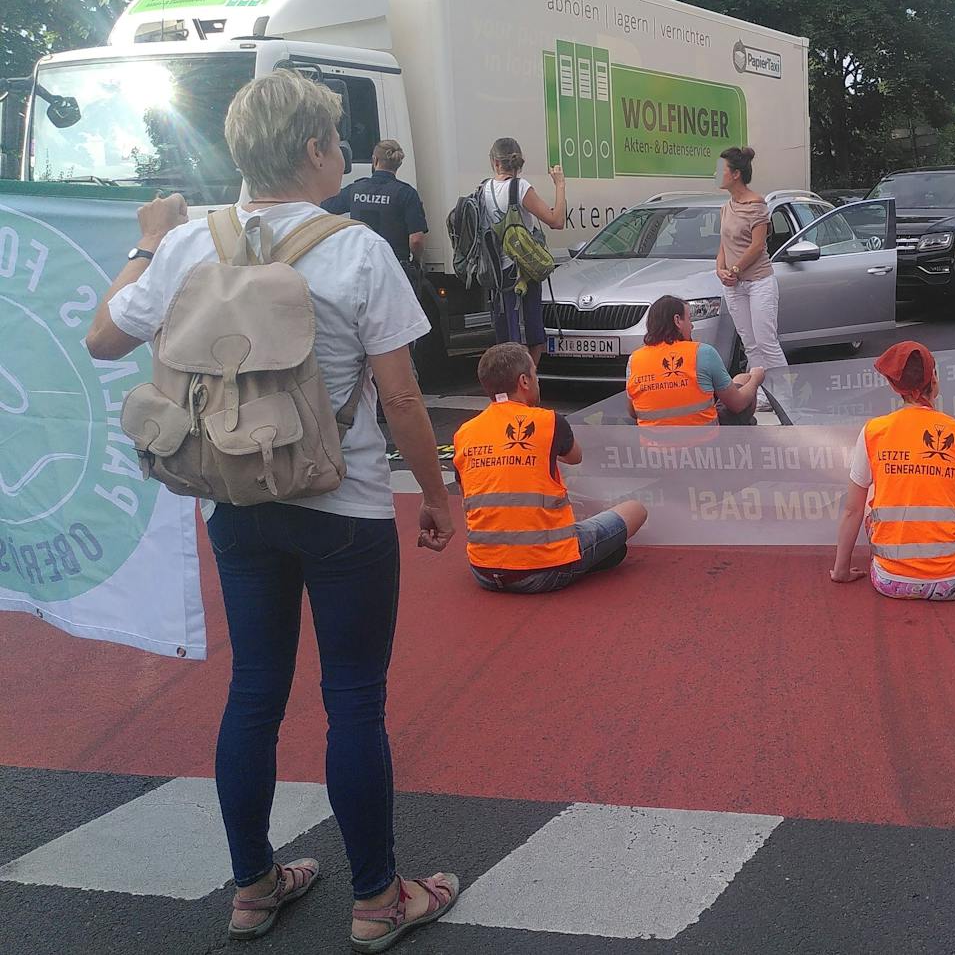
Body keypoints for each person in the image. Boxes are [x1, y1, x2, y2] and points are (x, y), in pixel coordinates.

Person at [84, 69, 461, 950]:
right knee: (353, 701)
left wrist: (147, 242)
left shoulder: (188, 246)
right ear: (311, 150)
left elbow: (104, 337)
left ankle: (253, 885)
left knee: (253, 693)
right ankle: (377, 899)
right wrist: (436, 498)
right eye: (335, 140)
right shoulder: (358, 248)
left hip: (234, 499)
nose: (342, 154)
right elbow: (404, 401)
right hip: (346, 506)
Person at [828, 341, 955, 600]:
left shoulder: (874, 432)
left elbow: (852, 510)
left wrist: (841, 570)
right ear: (934, 379)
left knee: (870, 493)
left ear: (893, 385)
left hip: (890, 580)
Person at [453, 343, 648, 591]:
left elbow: (466, 496)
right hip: (546, 568)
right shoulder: (548, 421)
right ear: (524, 381)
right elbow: (574, 457)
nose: (537, 380)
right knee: (636, 509)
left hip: (484, 571)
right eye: (535, 373)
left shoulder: (465, 433)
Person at [480, 137, 566, 365]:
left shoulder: (483, 189)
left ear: (494, 162)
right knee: (533, 337)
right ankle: (526, 385)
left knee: (507, 339)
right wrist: (559, 185)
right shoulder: (520, 188)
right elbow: (556, 221)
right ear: (519, 162)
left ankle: (510, 390)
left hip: (497, 275)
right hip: (522, 273)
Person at [715, 147, 786, 406]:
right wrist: (720, 269)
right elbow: (723, 245)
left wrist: (735, 270)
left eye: (721, 169)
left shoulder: (757, 205)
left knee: (766, 341)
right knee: (750, 344)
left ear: (735, 174)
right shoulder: (726, 207)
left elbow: (757, 246)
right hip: (734, 286)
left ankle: (784, 394)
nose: (716, 175)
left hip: (759, 282)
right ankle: (762, 393)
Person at [627, 295, 767, 425]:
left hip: (654, 447)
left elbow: (633, 411)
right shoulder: (702, 353)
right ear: (677, 321)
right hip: (704, 443)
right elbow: (737, 404)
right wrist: (756, 380)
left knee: (741, 379)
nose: (692, 326)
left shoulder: (634, 360)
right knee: (747, 383)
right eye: (689, 319)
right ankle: (742, 444)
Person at [322, 139, 428, 268]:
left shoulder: (355, 189)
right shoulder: (406, 193)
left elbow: (324, 207)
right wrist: (416, 263)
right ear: (398, 163)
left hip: (361, 266)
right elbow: (416, 240)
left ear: (375, 160)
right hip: (394, 266)